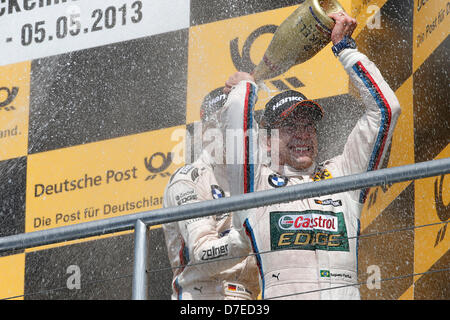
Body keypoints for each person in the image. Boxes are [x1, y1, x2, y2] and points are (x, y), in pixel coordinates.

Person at [220, 11, 401, 299]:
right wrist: (245, 86)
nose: (303, 134)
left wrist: (345, 49)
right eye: (290, 127)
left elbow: (386, 109)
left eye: (308, 125)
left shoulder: (344, 176)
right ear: (267, 142)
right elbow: (237, 122)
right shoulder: (254, 185)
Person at [162, 88, 259, 300]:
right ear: (207, 131)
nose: (235, 131)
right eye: (226, 123)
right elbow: (202, 254)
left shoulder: (256, 175)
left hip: (251, 296)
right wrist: (248, 237)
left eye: (238, 123)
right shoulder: (188, 179)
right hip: (203, 294)